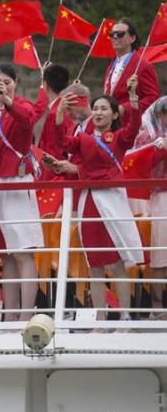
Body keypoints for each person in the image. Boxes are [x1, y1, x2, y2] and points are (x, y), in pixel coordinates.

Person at [48, 78, 146, 320]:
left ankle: (125, 316)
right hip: (90, 202)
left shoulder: (120, 137)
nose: (99, 112)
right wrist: (60, 115)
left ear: (114, 115)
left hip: (112, 201)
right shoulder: (83, 138)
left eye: (104, 109)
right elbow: (63, 143)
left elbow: (134, 129)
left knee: (118, 263)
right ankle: (101, 318)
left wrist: (134, 104)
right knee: (95, 264)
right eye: (96, 108)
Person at [0, 64, 43, 322]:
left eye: (6, 81)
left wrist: (7, 100)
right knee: (6, 254)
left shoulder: (21, 106)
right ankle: (8, 316)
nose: (2, 85)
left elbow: (27, 120)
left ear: (15, 83)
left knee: (23, 251)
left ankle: (26, 314)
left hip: (17, 182)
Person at [135, 98, 167, 315]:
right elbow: (141, 163)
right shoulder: (148, 135)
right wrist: (162, 148)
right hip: (161, 197)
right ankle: (157, 306)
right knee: (161, 255)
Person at [102, 17, 161, 115]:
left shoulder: (143, 65)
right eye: (112, 34)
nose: (115, 37)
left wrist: (125, 108)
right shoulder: (111, 65)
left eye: (120, 34)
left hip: (132, 124)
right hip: (111, 124)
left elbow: (153, 98)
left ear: (132, 38)